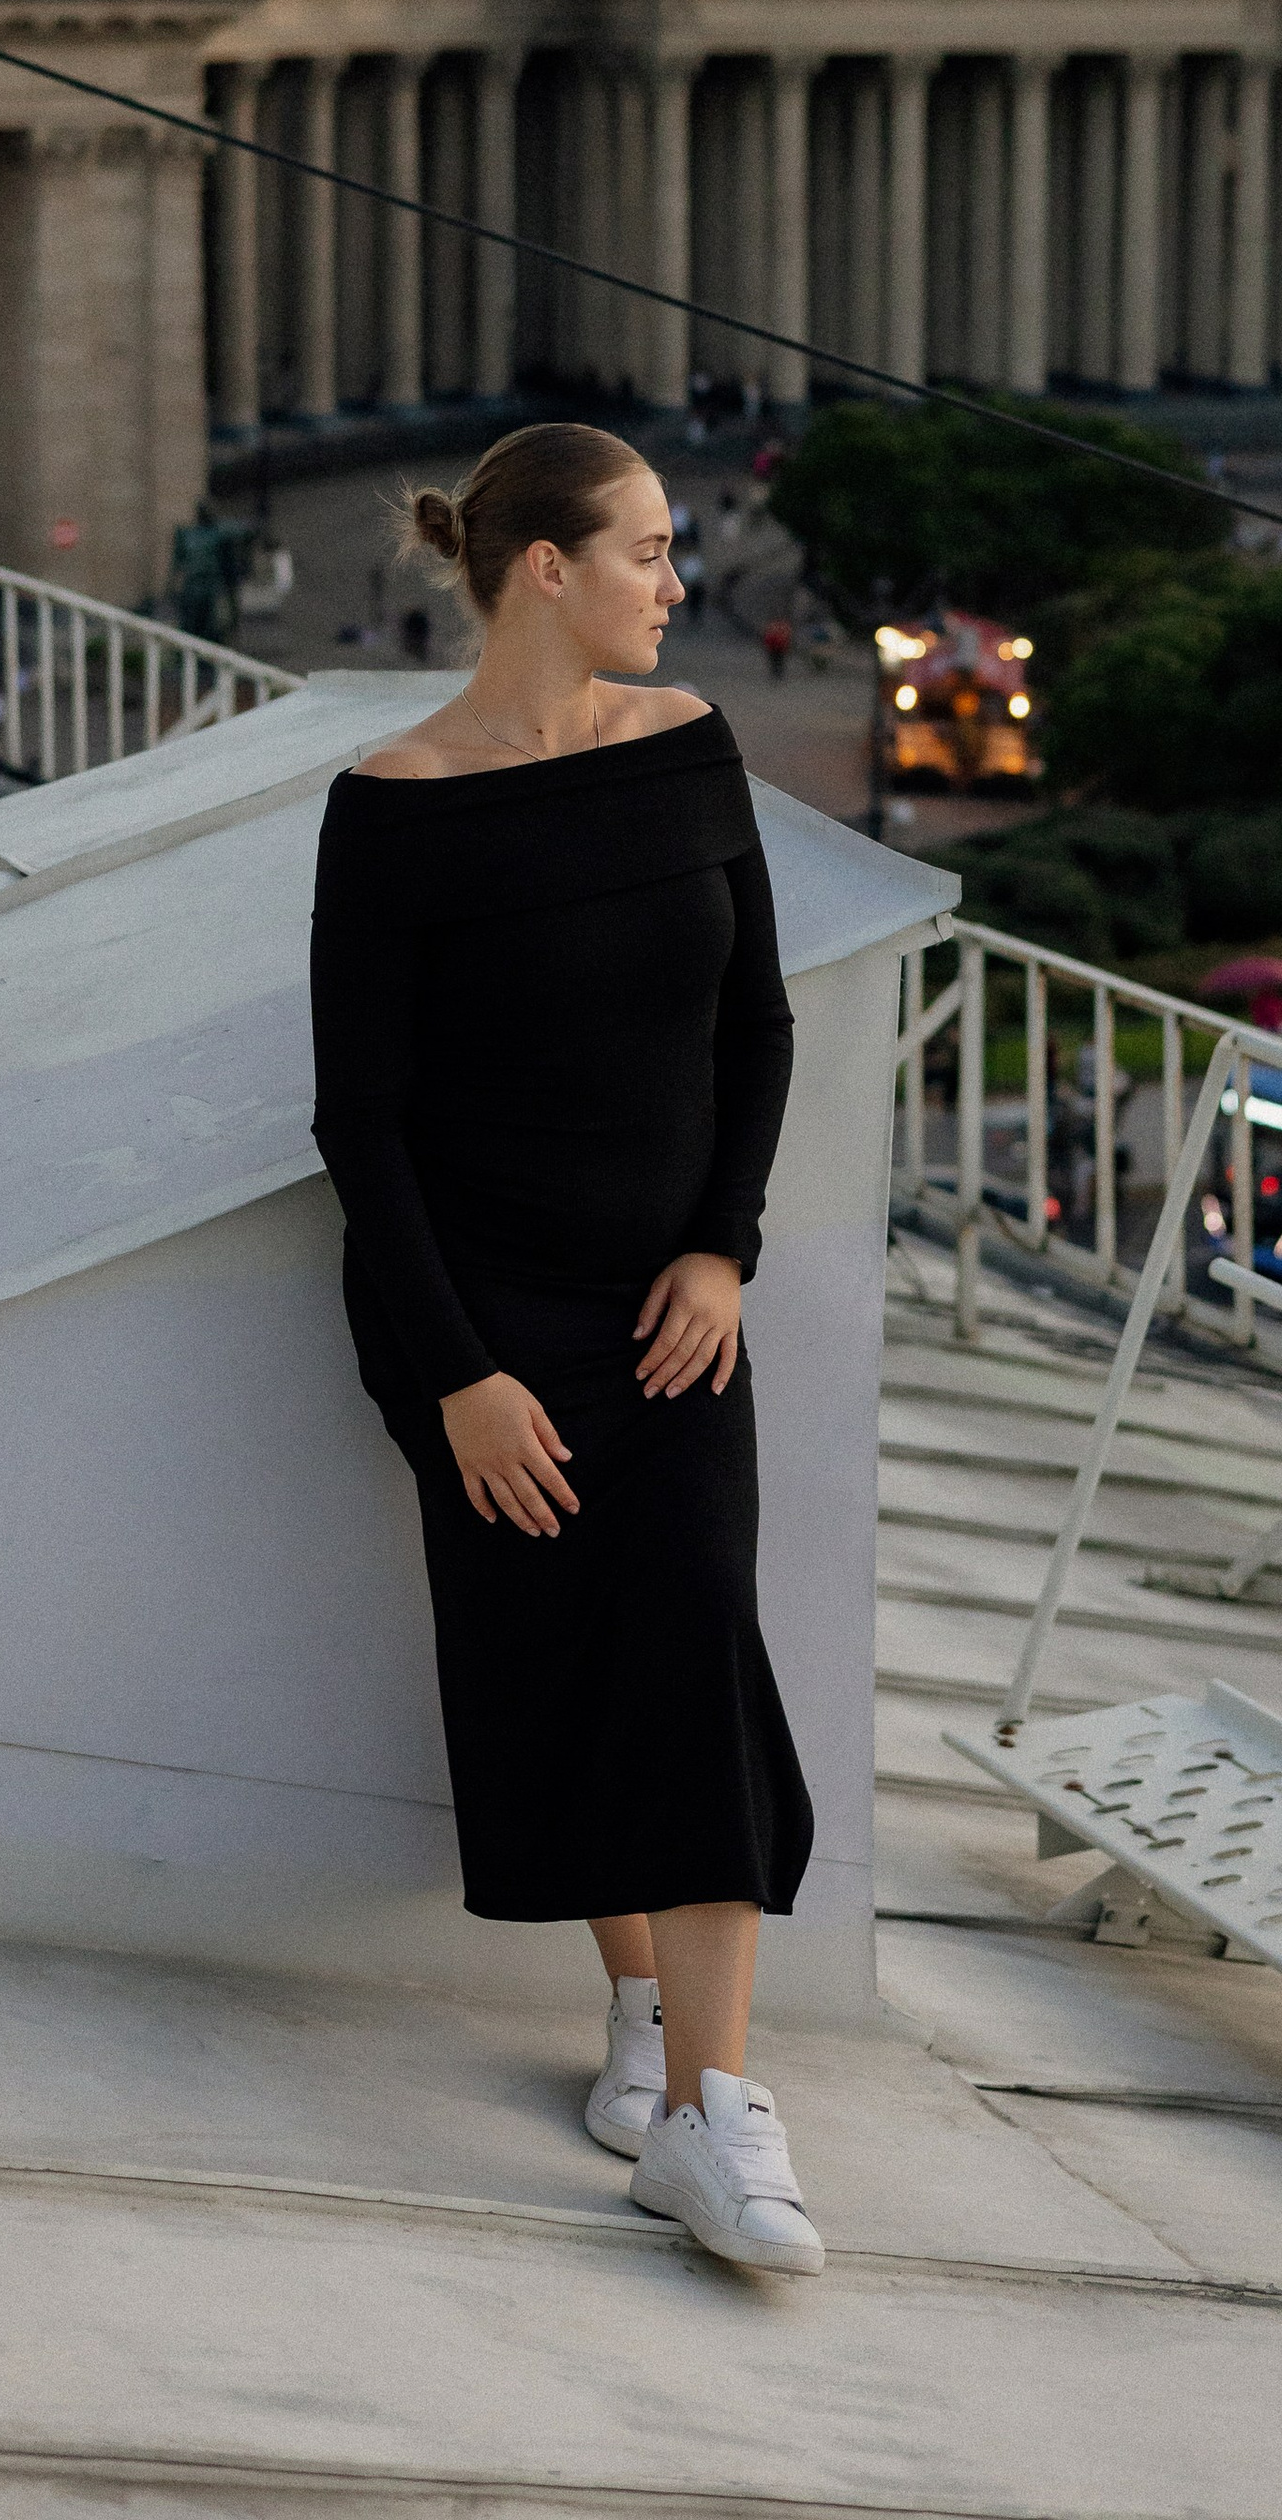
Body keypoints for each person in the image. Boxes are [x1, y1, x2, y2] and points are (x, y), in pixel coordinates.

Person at [307, 423, 822, 2280]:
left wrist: (722, 1249)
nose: (678, 584)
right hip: (485, 1319)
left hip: (668, 1303)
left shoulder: (688, 747)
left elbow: (755, 1028)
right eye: (651, 552)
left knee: (689, 1627)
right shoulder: (392, 803)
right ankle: (643, 2019)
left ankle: (711, 2116)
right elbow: (361, 1125)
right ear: (546, 568)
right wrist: (455, 1375)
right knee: (572, 1659)